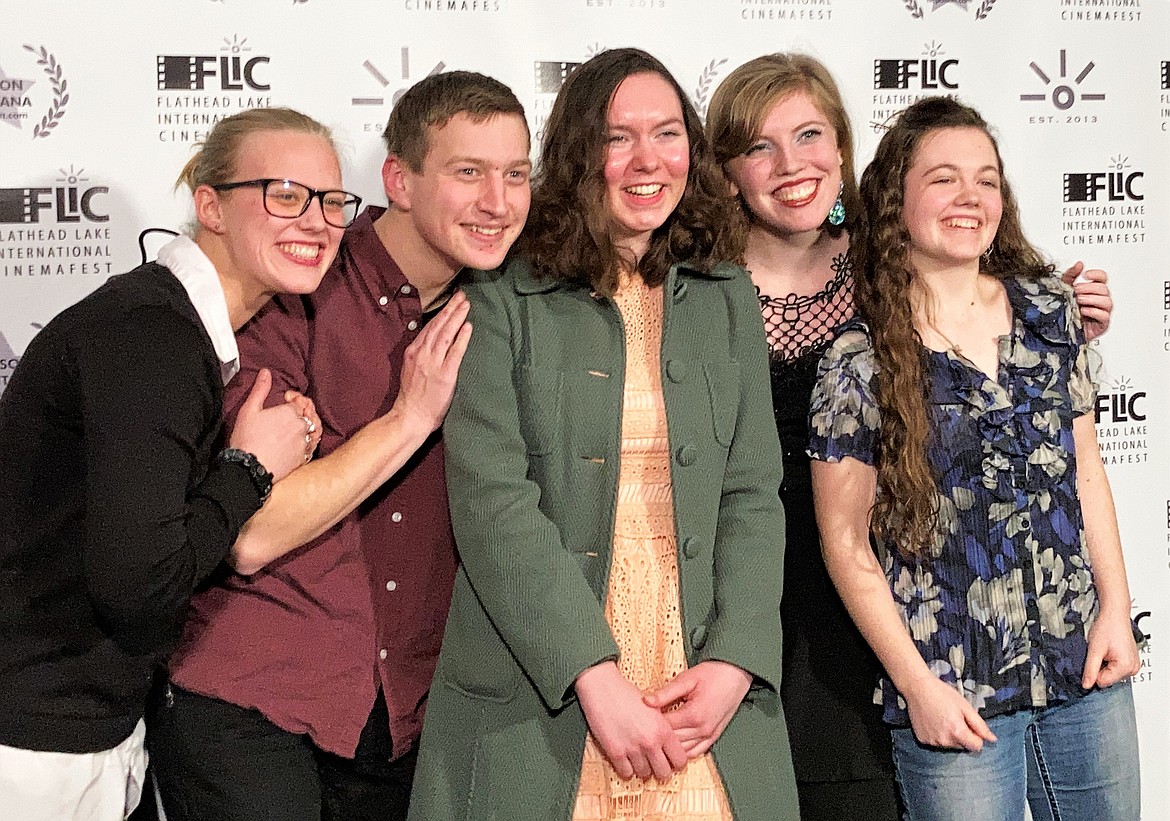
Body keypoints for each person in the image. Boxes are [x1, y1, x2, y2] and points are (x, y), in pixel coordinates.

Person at [705, 54, 1116, 820]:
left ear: (843, 147)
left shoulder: (890, 256)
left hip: (889, 612)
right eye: (760, 146)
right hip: (747, 593)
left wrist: (1072, 314)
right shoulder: (694, 287)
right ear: (726, 170)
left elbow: (999, 306)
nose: (791, 164)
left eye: (809, 135)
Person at [408, 48, 799, 821]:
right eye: (618, 137)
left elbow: (753, 492)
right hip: (544, 685)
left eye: (666, 133)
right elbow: (493, 502)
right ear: (579, 152)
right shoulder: (500, 290)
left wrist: (735, 660)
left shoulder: (726, 294)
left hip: (703, 690)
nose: (647, 160)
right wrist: (594, 676)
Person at [148, 71, 531, 821]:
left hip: (414, 717)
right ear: (400, 180)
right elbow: (252, 532)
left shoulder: (509, 304)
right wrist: (409, 419)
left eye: (515, 173)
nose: (498, 201)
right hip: (255, 699)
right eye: (468, 172)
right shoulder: (299, 279)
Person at [0, 106, 348, 820]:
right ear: (210, 206)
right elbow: (140, 582)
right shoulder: (153, 335)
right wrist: (249, 470)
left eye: (332, 201)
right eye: (284, 193)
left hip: (85, 726)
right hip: (40, 746)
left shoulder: (165, 326)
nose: (314, 220)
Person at [807, 95, 1140, 821]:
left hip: (1082, 667)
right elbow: (845, 540)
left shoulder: (1051, 314)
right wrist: (916, 687)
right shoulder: (857, 361)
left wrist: (1115, 608)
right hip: (952, 688)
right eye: (944, 178)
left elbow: (1086, 470)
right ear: (896, 200)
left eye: (986, 179)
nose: (971, 197)